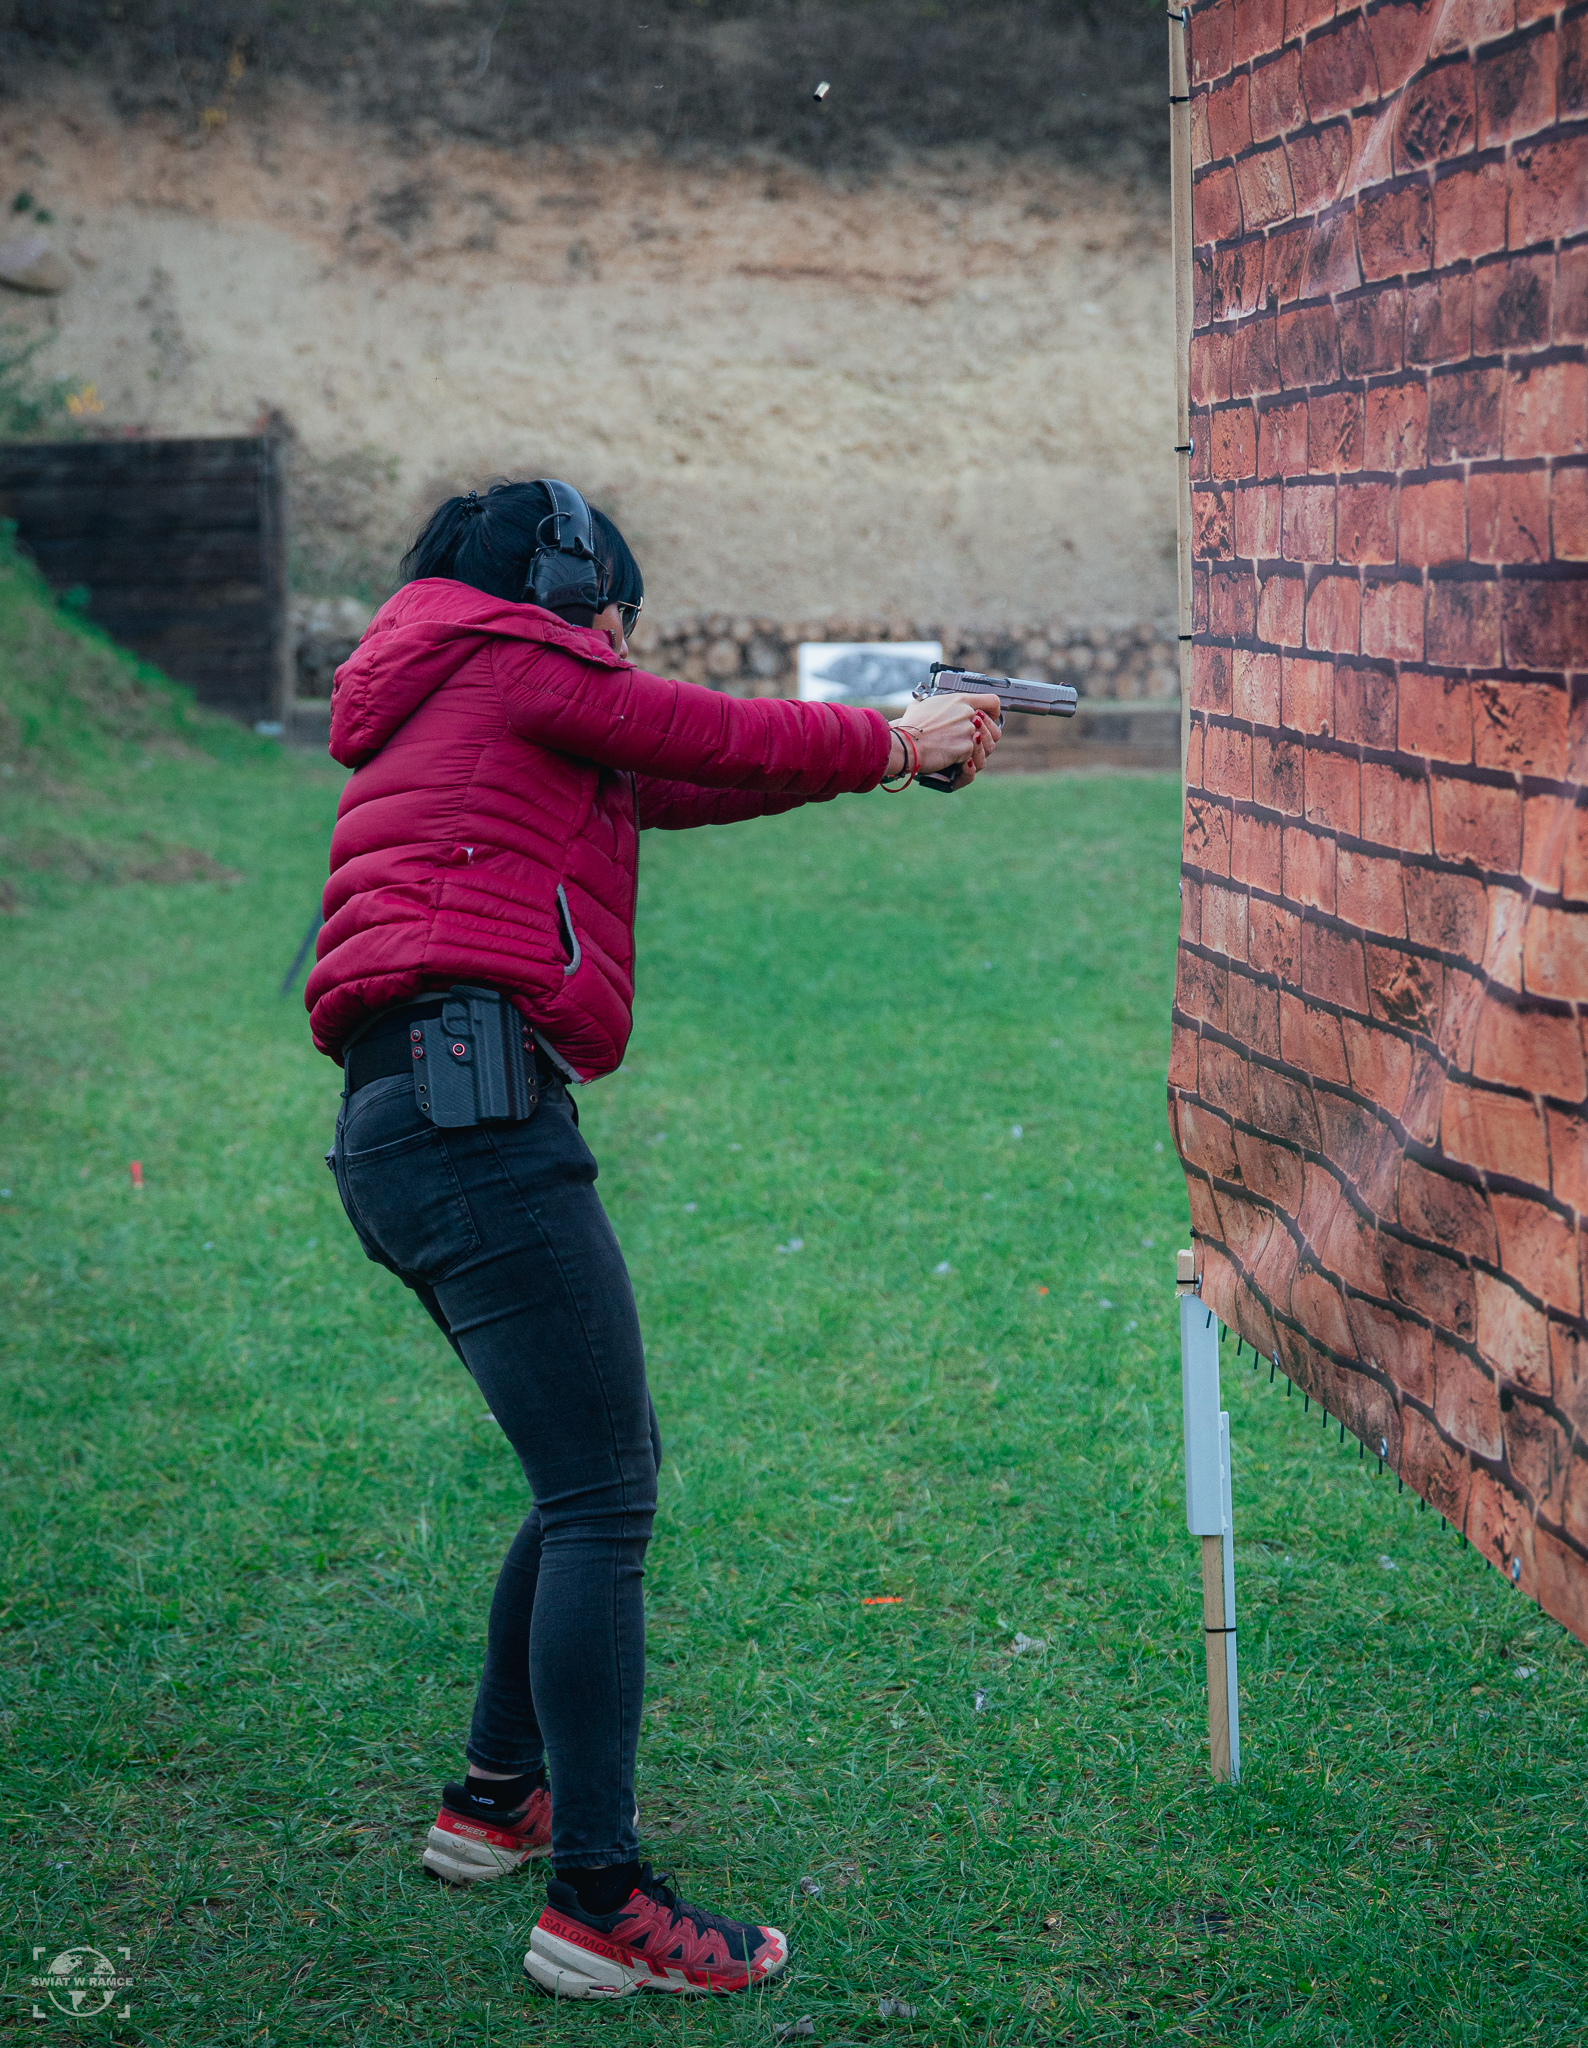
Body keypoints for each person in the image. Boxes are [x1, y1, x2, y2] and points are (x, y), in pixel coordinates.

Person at [306, 476, 998, 2000]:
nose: (621, 631)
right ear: (564, 588)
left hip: (414, 1118)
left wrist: (889, 763)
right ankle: (597, 1904)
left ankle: (495, 1803)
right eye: (613, 601)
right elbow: (702, 729)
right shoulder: (512, 658)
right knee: (607, 1495)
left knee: (581, 1481)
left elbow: (680, 780)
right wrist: (894, 735)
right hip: (473, 1117)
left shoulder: (466, 681)